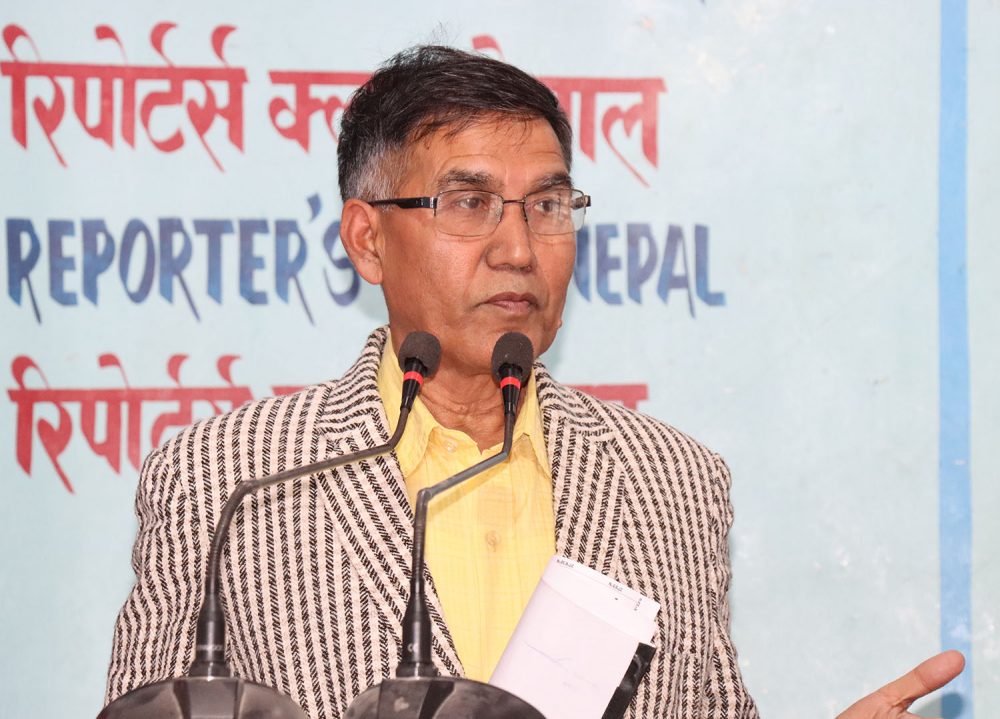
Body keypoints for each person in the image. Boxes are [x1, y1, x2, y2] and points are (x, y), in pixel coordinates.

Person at [105, 45, 963, 719]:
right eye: (468, 203)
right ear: (367, 239)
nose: (518, 248)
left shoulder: (675, 481)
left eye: (549, 206)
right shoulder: (230, 479)